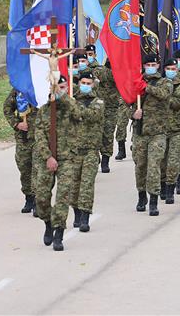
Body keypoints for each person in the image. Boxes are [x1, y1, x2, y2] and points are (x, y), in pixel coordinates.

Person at [33, 76, 85, 250]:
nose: (61, 90)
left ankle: (58, 232)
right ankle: (48, 222)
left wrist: (63, 97)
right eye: (57, 87)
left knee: (63, 196)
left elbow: (79, 115)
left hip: (68, 157)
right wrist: (48, 157)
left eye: (63, 87)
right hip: (47, 159)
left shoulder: (71, 106)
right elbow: (39, 135)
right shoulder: (43, 111)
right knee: (41, 196)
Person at [131, 54, 173, 217]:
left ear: (157, 66)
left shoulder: (165, 82)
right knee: (140, 166)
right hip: (140, 132)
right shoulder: (137, 82)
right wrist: (133, 113)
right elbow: (127, 104)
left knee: (154, 165)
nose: (150, 67)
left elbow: (164, 94)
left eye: (153, 64)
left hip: (158, 132)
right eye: (147, 64)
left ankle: (154, 200)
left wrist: (146, 87)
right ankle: (142, 196)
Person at [68, 71, 105, 232]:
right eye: (83, 82)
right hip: (74, 150)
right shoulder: (72, 100)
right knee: (74, 184)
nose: (85, 86)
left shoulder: (98, 102)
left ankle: (85, 215)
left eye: (88, 83)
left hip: (91, 150)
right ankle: (76, 211)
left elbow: (92, 115)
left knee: (87, 184)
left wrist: (73, 107)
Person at [3, 88, 39, 215]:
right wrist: (16, 124)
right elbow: (7, 109)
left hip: (40, 138)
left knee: (37, 169)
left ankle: (37, 201)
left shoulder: (41, 88)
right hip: (23, 138)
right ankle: (28, 197)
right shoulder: (18, 89)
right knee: (24, 168)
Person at [160, 58, 180, 203]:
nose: (171, 71)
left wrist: (162, 96)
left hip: (178, 128)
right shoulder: (158, 84)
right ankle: (162, 186)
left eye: (173, 69)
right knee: (161, 160)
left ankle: (171, 187)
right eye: (168, 69)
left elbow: (178, 103)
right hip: (161, 128)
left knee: (173, 160)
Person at [86, 45, 117, 174]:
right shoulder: (91, 70)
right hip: (94, 108)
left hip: (110, 107)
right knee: (94, 134)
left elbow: (110, 77)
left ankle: (105, 160)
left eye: (91, 53)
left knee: (108, 135)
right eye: (87, 53)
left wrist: (114, 65)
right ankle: (95, 158)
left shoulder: (101, 69)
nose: (89, 56)